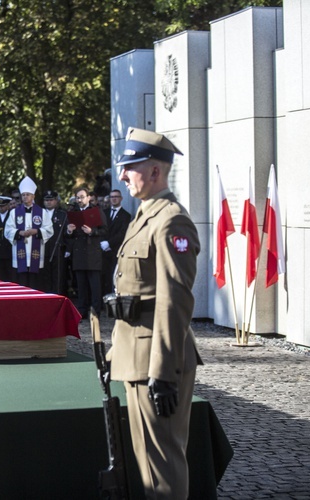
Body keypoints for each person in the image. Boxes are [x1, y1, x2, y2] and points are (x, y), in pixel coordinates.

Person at [107, 127, 202, 500]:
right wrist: (116, 352)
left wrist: (162, 373)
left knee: (161, 467)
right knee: (147, 464)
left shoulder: (171, 221)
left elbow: (173, 301)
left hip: (156, 362)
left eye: (130, 167)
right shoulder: (145, 215)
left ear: (155, 172)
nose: (122, 175)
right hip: (136, 355)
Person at [4, 176, 53, 289]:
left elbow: (49, 230)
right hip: (20, 252)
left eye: (28, 194)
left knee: (35, 283)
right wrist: (19, 233)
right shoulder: (14, 212)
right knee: (21, 283)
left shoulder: (42, 212)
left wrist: (36, 231)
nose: (25, 197)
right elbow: (7, 230)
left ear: (33, 196)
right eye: (23, 195)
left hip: (35, 252)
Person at [66, 186, 107, 319]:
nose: (79, 200)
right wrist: (69, 231)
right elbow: (69, 237)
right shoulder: (74, 212)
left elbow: (105, 230)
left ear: (89, 197)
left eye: (82, 197)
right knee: (81, 285)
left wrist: (92, 232)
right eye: (78, 197)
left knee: (94, 285)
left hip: (93, 252)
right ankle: (82, 311)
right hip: (79, 253)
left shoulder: (96, 211)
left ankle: (96, 311)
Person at [101, 189, 131, 294]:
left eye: (116, 196)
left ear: (121, 198)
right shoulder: (104, 213)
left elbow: (122, 233)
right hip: (102, 251)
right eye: (112, 197)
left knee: (113, 277)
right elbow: (101, 229)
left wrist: (109, 243)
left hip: (115, 250)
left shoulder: (125, 215)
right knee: (103, 278)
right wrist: (102, 242)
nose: (114, 199)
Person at [42, 190, 68, 294]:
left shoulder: (62, 214)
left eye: (51, 200)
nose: (48, 202)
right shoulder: (39, 213)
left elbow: (67, 233)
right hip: (43, 249)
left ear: (56, 201)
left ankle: (57, 296)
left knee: (58, 277)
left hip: (57, 249)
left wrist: (68, 249)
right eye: (46, 200)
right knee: (45, 276)